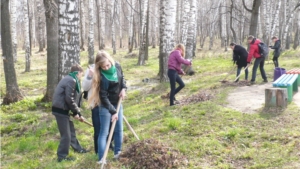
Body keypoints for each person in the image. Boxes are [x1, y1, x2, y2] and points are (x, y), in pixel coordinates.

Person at [88, 51, 127, 164]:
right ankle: (102, 158)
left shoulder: (117, 66)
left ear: (110, 61)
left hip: (117, 102)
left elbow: (122, 78)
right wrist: (113, 111)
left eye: (107, 65)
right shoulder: (101, 76)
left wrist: (124, 88)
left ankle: (118, 152)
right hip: (105, 105)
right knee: (104, 132)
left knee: (119, 129)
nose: (106, 67)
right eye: (103, 66)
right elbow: (103, 97)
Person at [52, 64, 89, 162]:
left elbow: (69, 99)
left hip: (63, 109)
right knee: (66, 135)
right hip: (60, 110)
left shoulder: (69, 79)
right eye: (81, 74)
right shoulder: (71, 80)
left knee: (71, 131)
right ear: (78, 73)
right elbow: (69, 98)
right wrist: (76, 112)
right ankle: (62, 156)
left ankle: (78, 149)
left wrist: (77, 114)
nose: (81, 76)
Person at [82, 61, 114, 155]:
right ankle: (98, 150)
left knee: (111, 126)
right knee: (98, 128)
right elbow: (85, 87)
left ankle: (109, 145)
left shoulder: (109, 68)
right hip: (96, 104)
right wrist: (89, 76)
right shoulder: (91, 69)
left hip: (109, 103)